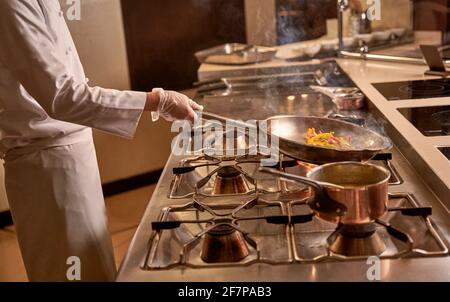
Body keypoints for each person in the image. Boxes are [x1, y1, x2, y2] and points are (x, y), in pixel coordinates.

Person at [0, 0, 202, 281]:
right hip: (46, 165)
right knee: (71, 273)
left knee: (92, 263)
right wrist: (157, 101)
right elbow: (63, 97)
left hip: (68, 153)